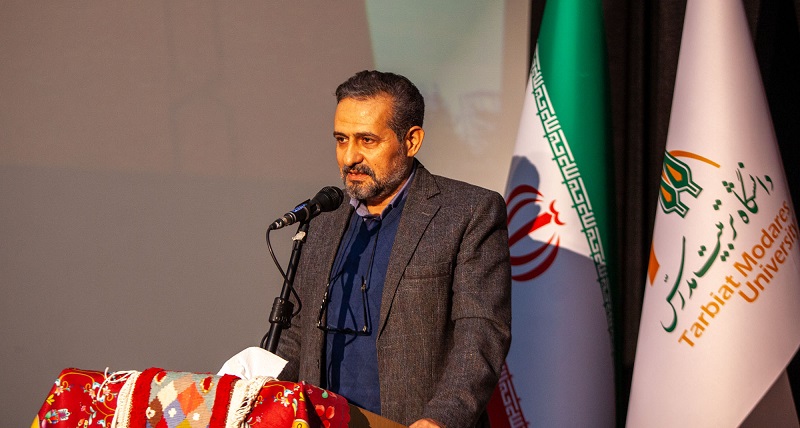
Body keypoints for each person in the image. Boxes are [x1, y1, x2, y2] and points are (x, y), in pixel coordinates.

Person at [276, 70, 511, 428]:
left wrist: (441, 418)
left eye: (367, 140)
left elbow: (481, 332)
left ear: (411, 141)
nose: (349, 157)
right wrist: (257, 396)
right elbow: (296, 333)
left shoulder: (468, 212)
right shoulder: (323, 218)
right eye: (341, 139)